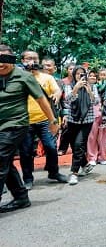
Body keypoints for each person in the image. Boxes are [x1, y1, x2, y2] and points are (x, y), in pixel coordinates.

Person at [0, 44, 58, 213]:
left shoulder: (24, 77)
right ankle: (21, 197)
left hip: (16, 125)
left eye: (5, 59)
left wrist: (53, 121)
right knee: (6, 162)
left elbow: (41, 100)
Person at [18, 50, 67, 190]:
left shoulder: (47, 77)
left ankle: (54, 172)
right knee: (26, 151)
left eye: (35, 58)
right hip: (25, 120)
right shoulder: (18, 77)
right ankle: (27, 179)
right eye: (28, 59)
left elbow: (57, 90)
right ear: (22, 60)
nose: (32, 61)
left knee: (51, 147)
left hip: (46, 119)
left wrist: (57, 95)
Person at [63, 66, 99, 185]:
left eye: (82, 74)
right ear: (74, 75)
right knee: (74, 146)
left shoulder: (92, 86)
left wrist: (89, 91)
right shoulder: (70, 86)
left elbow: (96, 102)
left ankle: (74, 173)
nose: (80, 76)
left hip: (87, 121)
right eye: (77, 74)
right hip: (73, 120)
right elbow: (68, 101)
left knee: (79, 144)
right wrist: (76, 89)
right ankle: (85, 164)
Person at [87, 70, 106, 165]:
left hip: (103, 113)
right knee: (92, 137)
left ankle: (102, 157)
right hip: (91, 114)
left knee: (104, 137)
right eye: (90, 76)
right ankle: (92, 157)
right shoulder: (85, 87)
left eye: (94, 76)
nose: (92, 77)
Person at [58, 62, 76, 155]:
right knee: (65, 129)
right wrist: (63, 112)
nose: (72, 70)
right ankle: (62, 148)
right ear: (67, 70)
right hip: (66, 108)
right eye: (70, 69)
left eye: (74, 69)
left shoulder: (78, 81)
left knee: (75, 130)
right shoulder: (62, 82)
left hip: (76, 109)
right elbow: (60, 97)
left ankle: (75, 148)